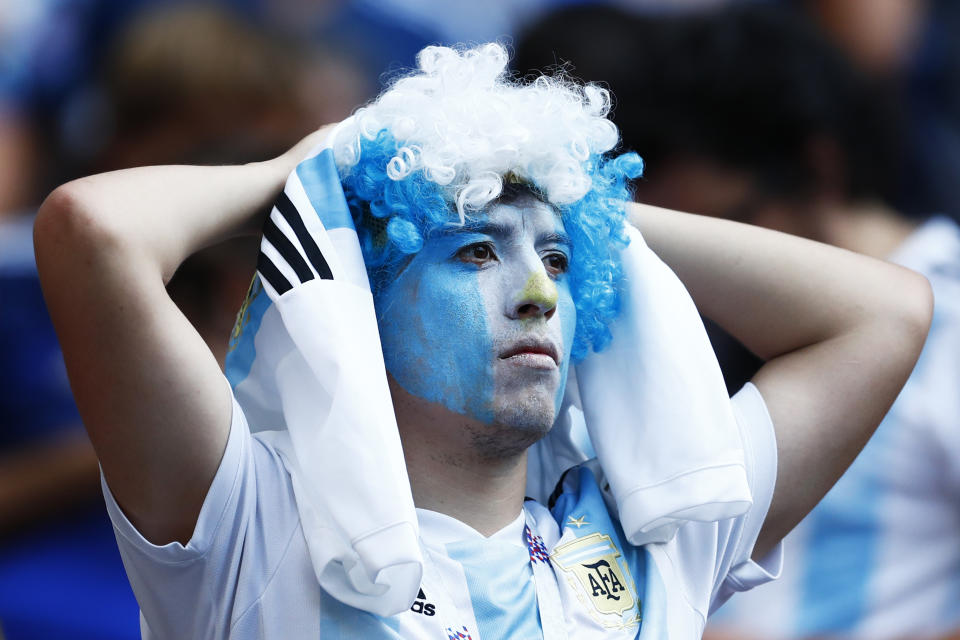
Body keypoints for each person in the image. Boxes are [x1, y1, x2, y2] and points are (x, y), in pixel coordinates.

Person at [34, 43, 931, 639]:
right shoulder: (253, 520)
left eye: (557, 259)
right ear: (364, 306)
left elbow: (886, 311)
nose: (539, 292)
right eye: (474, 252)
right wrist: (304, 179)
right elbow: (93, 231)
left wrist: (584, 201)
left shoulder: (662, 528)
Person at [517, 5, 960, 638]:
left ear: (819, 168)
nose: (704, 279)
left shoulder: (950, 317)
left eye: (727, 225)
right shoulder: (692, 337)